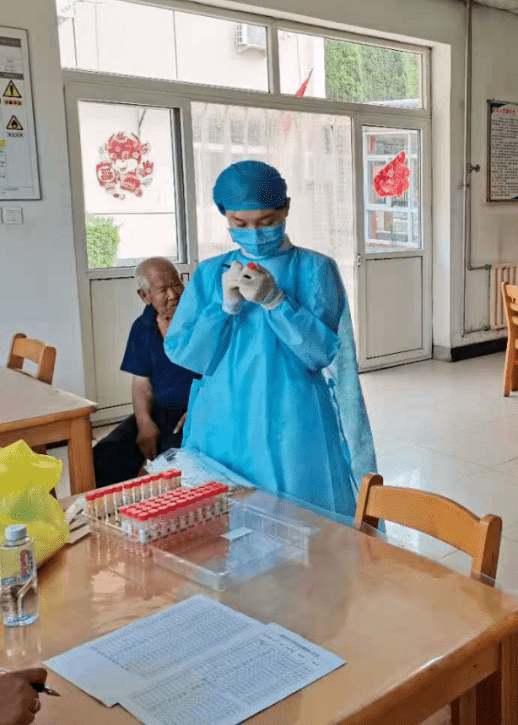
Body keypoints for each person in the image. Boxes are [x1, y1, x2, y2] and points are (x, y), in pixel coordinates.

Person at [165, 160, 376, 519]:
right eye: (240, 224)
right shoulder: (208, 274)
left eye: (266, 222)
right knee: (226, 523)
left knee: (300, 519)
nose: (255, 232)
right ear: (224, 215)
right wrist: (224, 307)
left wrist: (277, 303)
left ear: (286, 209)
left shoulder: (314, 269)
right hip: (223, 414)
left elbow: (320, 353)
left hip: (292, 413)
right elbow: (187, 354)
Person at [92, 258, 197, 487]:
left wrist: (199, 408)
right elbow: (141, 383)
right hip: (160, 411)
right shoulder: (142, 326)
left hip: (195, 411)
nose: (173, 294)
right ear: (145, 296)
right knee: (103, 456)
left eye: (176, 284)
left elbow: (221, 374)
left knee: (172, 468)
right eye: (162, 290)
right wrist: (144, 422)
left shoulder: (200, 319)